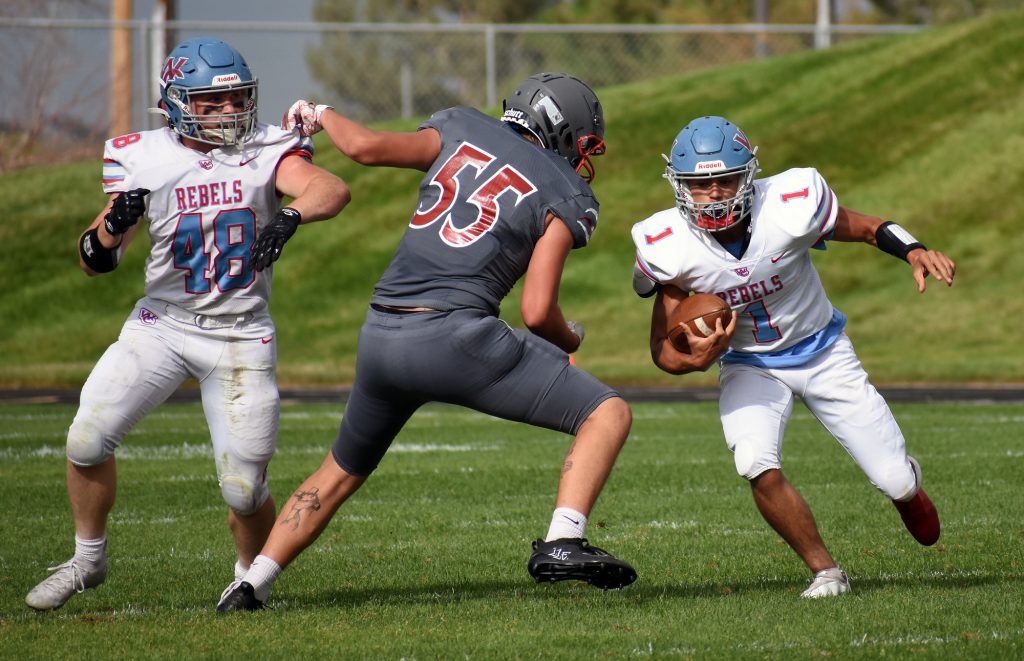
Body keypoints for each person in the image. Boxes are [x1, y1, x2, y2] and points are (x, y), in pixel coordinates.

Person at [216, 72, 636, 611]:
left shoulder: (460, 126)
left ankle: (251, 585)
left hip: (383, 334)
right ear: (564, 131)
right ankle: (564, 539)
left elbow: (364, 148)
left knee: (339, 471)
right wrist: (570, 335)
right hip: (457, 337)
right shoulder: (567, 190)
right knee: (608, 413)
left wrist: (320, 113)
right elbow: (536, 311)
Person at [24, 37, 350, 611]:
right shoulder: (141, 156)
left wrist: (292, 213)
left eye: (237, 99)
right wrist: (107, 229)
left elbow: (331, 188)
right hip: (162, 324)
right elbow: (95, 260)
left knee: (245, 491)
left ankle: (249, 580)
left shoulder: (270, 148)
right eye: (211, 103)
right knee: (86, 436)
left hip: (242, 332)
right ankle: (87, 559)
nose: (230, 112)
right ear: (177, 103)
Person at [630, 116, 954, 598]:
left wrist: (912, 249)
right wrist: (694, 358)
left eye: (725, 180)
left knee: (894, 479)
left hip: (824, 352)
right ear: (680, 187)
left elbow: (864, 228)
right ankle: (826, 571)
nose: (715, 194)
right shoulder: (668, 244)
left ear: (750, 175)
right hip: (750, 364)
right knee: (756, 463)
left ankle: (908, 488)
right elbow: (662, 350)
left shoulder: (789, 205)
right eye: (701, 185)